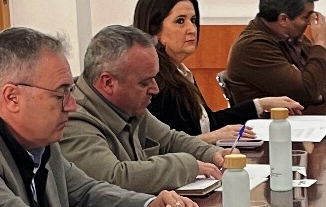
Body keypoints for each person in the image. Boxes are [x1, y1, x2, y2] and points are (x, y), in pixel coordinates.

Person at [0, 26, 202, 207]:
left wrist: (149, 204)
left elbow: (85, 193)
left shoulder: (36, 136)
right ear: (12, 97)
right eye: (61, 95)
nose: (71, 106)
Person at [62, 25, 226, 194]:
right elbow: (114, 178)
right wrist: (186, 166)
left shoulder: (128, 106)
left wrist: (213, 154)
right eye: (144, 82)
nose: (155, 89)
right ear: (108, 83)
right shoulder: (73, 119)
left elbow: (170, 140)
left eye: (154, 78)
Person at [133, 0, 299, 143]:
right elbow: (158, 147)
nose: (192, 29)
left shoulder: (179, 73)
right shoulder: (152, 82)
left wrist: (261, 104)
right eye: (180, 21)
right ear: (155, 31)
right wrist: (212, 137)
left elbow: (207, 123)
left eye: (193, 20)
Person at [224, 0, 326, 111]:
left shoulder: (290, 36)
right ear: (283, 19)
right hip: (268, 128)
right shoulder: (253, 46)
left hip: (300, 122)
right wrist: (319, 43)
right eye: (306, 17)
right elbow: (308, 91)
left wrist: (318, 96)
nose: (310, 24)